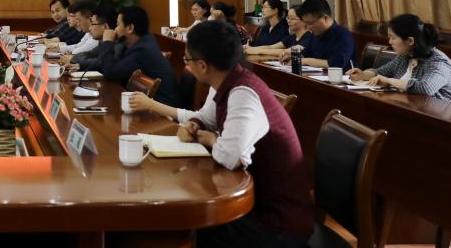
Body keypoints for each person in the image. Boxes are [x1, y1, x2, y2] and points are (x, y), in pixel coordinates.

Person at [129, 21, 313, 247]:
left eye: (187, 60)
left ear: (202, 65)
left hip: (277, 223)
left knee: (193, 222)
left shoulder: (243, 93)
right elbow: (206, 118)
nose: (186, 64)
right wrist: (193, 125)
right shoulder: (229, 81)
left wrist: (211, 138)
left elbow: (231, 157)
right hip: (256, 205)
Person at [347, 14, 451, 100]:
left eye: (393, 37)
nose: (389, 42)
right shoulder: (405, 56)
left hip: (438, 115)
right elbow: (380, 72)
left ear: (410, 41)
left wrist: (389, 81)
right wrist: (362, 75)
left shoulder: (439, 62)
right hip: (409, 107)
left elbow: (426, 88)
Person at [92, 5, 179, 106]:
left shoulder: (143, 50)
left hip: (161, 108)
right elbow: (113, 65)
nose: (115, 29)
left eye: (118, 25)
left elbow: (110, 72)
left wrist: (107, 42)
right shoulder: (138, 42)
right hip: (148, 103)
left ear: (130, 28)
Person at [281, 0, 354, 69]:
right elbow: (305, 54)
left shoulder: (342, 34)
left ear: (325, 18)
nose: (308, 27)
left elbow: (336, 64)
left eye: (310, 23)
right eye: (306, 23)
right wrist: (292, 57)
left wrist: (304, 61)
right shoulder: (315, 35)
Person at [245, 5, 313, 57]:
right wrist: (251, 48)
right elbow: (271, 47)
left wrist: (259, 51)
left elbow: (287, 51)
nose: (288, 21)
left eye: (292, 18)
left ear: (304, 20)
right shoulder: (291, 38)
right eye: (288, 18)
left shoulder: (309, 38)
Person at [70, 6, 118, 71]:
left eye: (92, 24)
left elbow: (101, 63)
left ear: (104, 26)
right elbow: (85, 54)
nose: (90, 28)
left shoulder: (117, 45)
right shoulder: (102, 42)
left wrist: (76, 62)